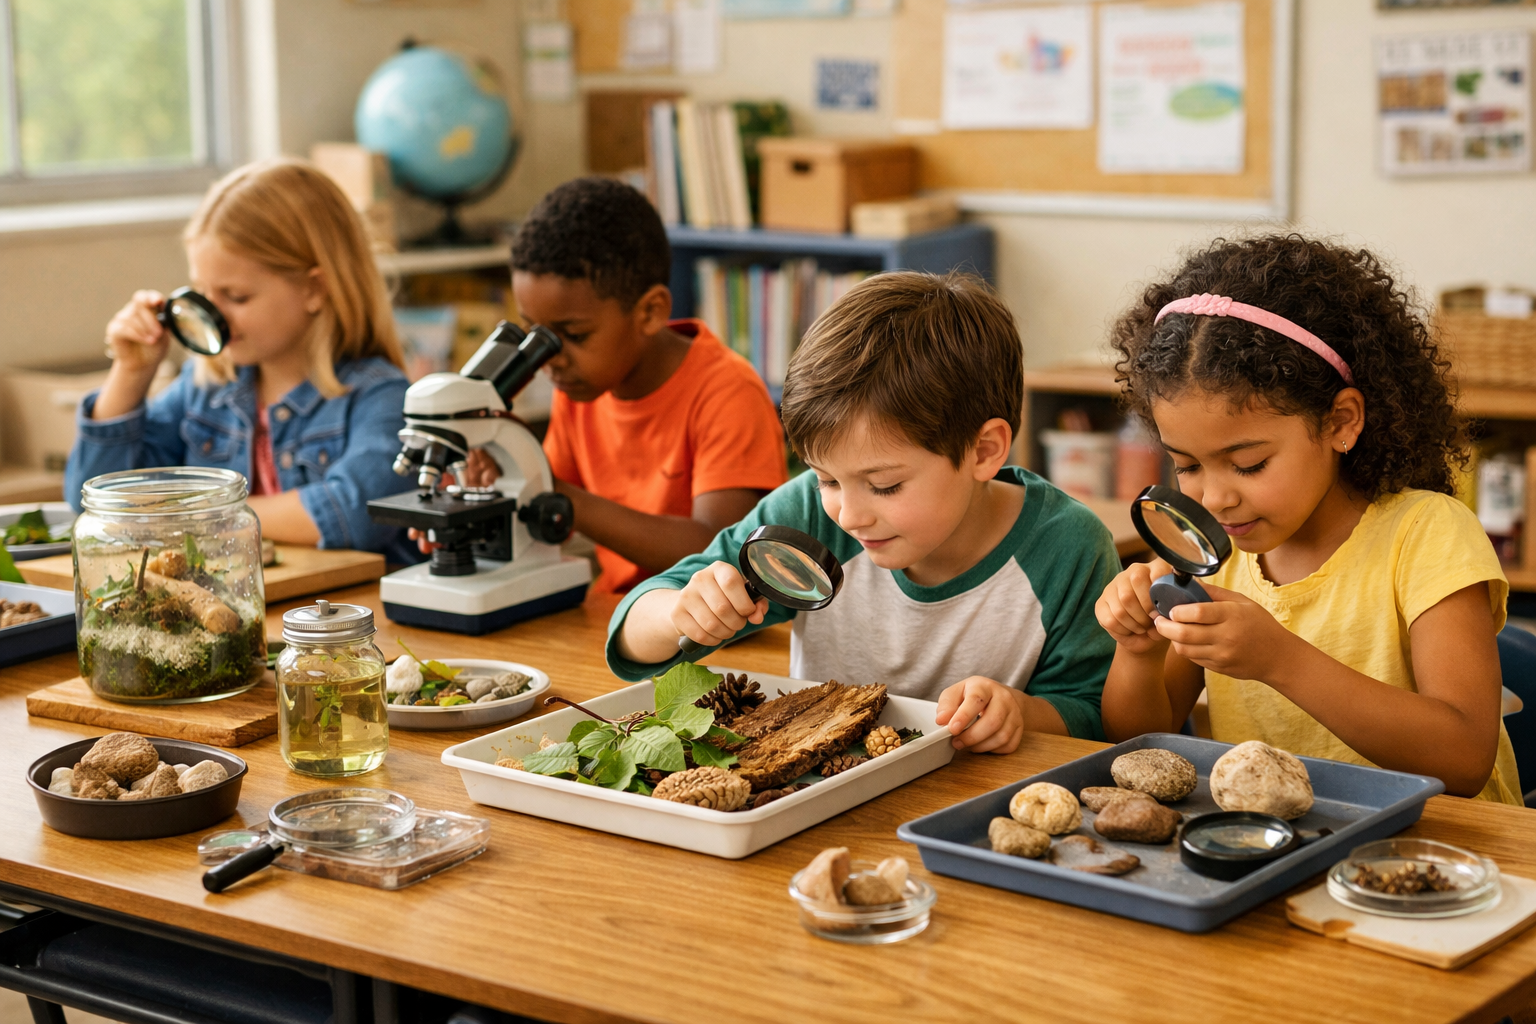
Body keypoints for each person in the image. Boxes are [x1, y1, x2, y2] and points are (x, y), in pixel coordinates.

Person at [609, 271, 1119, 752]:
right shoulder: (808, 513)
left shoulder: (1067, 548)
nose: (848, 516)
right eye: (827, 477)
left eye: (885, 485)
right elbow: (632, 636)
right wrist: (679, 613)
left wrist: (1021, 713)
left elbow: (1094, 715)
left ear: (984, 451)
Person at [1096, 234, 1520, 803]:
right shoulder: (1209, 556)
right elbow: (1141, 743)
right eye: (1187, 465)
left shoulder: (1427, 535)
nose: (1215, 498)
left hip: (1445, 856)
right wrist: (1138, 652)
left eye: (1248, 464)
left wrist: (1279, 660)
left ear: (1341, 421)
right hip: (1282, 848)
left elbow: (1465, 758)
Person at [65, 158, 418, 563]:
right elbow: (97, 501)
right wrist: (131, 372)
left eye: (236, 297)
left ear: (314, 290)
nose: (212, 317)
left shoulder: (381, 396)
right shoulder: (204, 390)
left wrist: (192, 514)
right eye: (202, 293)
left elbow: (357, 512)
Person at [467, 176, 787, 594]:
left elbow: (720, 552)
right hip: (622, 616)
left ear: (650, 311)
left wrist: (552, 492)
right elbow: (547, 527)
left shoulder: (727, 391)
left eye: (575, 335)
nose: (550, 360)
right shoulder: (579, 388)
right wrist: (498, 475)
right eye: (534, 334)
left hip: (715, 631)